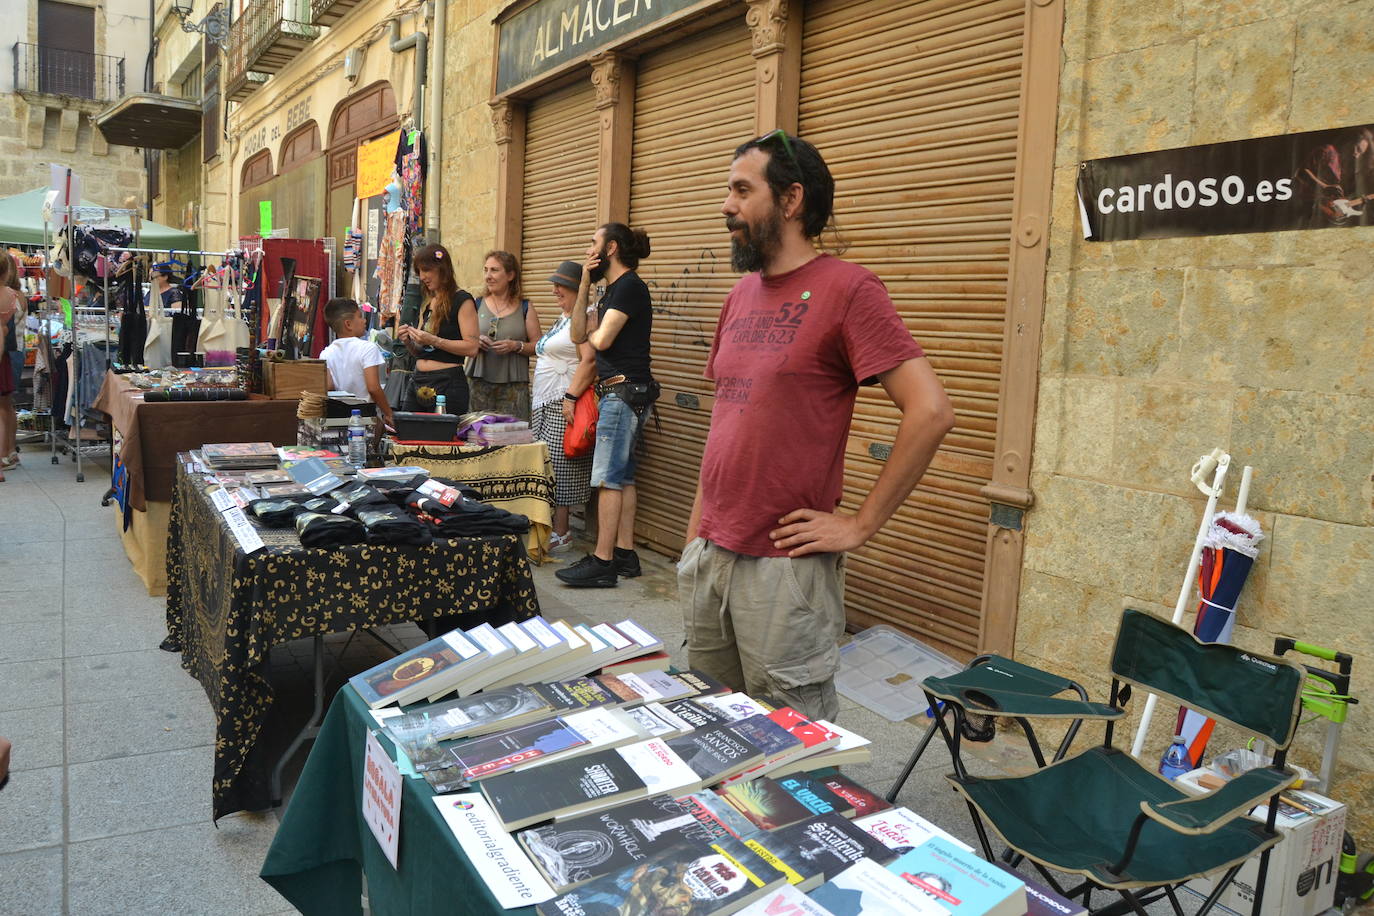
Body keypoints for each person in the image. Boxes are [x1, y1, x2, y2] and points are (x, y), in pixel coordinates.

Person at [678, 130, 955, 721]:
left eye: (741, 190)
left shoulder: (849, 289)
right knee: (706, 732)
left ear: (791, 199)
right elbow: (727, 421)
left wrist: (860, 524)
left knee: (791, 757)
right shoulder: (739, 296)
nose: (725, 205)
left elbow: (931, 410)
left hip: (782, 573)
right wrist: (694, 538)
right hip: (710, 557)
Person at [556, 223, 657, 588]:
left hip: (623, 393)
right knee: (624, 476)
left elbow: (601, 338)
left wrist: (596, 332)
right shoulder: (610, 289)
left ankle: (603, 562)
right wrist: (584, 281)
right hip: (623, 392)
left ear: (611, 248)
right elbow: (578, 333)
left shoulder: (629, 287)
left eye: (593, 245)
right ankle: (626, 554)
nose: (589, 251)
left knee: (609, 479)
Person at [529, 260, 598, 552]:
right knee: (545, 465)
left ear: (576, 289)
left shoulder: (585, 318)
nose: (556, 290)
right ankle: (548, 525)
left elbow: (589, 360)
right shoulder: (564, 317)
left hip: (563, 402)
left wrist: (570, 397)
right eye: (555, 285)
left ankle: (563, 531)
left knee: (561, 467)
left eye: (561, 286)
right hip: (545, 401)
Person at [396, 243, 479, 413]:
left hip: (448, 383)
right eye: (419, 271)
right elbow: (422, 352)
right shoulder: (428, 304)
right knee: (407, 432)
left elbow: (472, 348)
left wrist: (434, 340)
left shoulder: (462, 300)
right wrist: (409, 341)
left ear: (443, 269)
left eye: (427, 270)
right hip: (418, 379)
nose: (422, 277)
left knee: (444, 436)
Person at [466, 250, 540, 420]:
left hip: (514, 388)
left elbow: (538, 345)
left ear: (510, 275)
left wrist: (516, 346)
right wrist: (476, 341)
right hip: (478, 383)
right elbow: (462, 339)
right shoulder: (475, 304)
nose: (488, 276)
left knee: (513, 438)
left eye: (494, 270)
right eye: (486, 270)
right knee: (477, 437)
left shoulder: (525, 307)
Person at [320, 297, 395, 429]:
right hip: (364, 418)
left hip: (336, 418)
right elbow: (373, 388)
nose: (364, 320)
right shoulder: (367, 348)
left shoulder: (326, 353)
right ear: (348, 324)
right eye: (360, 317)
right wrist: (388, 413)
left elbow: (329, 387)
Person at [0, 252, 20, 482]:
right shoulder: (11, 296)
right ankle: (5, 455)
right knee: (5, 406)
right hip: (5, 351)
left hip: (6, 349)